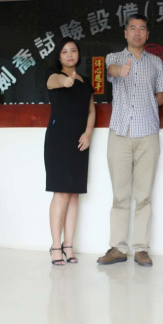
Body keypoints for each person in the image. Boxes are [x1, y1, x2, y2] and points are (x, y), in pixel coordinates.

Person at [97, 14, 163, 267]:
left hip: (147, 133)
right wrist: (121, 70)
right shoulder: (114, 58)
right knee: (120, 194)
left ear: (147, 34)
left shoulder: (156, 62)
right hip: (120, 132)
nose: (137, 32)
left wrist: (146, 105)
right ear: (125, 33)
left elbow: (161, 95)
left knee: (144, 195)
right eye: (133, 28)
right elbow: (111, 71)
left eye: (142, 29)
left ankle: (141, 249)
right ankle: (117, 248)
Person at [44, 38, 96, 265]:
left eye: (73, 50)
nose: (70, 54)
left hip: (79, 141)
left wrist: (88, 133)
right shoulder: (53, 76)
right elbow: (56, 82)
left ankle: (69, 246)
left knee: (74, 193)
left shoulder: (85, 81)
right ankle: (56, 246)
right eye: (64, 51)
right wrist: (66, 81)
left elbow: (91, 111)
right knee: (61, 193)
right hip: (58, 140)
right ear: (59, 56)